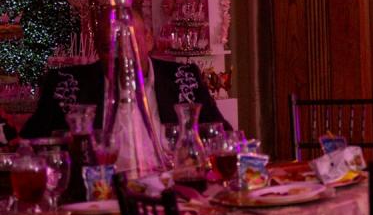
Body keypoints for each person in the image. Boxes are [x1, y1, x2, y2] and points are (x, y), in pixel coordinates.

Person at [21, 10, 228, 139]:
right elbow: (31, 142)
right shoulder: (66, 84)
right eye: (108, 47)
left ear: (148, 40)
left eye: (130, 43)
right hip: (98, 190)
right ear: (97, 49)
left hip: (170, 185)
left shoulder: (183, 78)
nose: (121, 55)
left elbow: (221, 133)